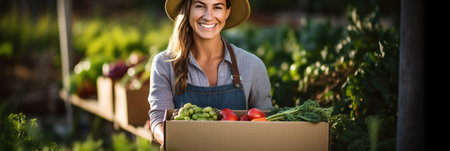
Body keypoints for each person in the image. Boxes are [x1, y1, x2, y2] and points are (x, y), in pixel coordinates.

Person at [148, 0, 273, 146]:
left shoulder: (252, 65)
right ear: (188, 10)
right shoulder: (164, 64)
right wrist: (171, 141)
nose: (208, 16)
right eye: (200, 6)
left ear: (227, 12)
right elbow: (158, 118)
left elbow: (265, 121)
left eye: (217, 7)